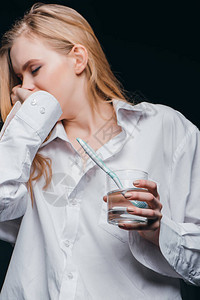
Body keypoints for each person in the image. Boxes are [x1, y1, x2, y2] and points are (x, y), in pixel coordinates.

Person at [0, 3, 199, 299]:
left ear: (78, 58)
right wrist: (29, 118)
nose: (24, 88)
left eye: (34, 69)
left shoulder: (164, 129)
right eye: (19, 78)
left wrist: (158, 230)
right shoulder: (25, 147)